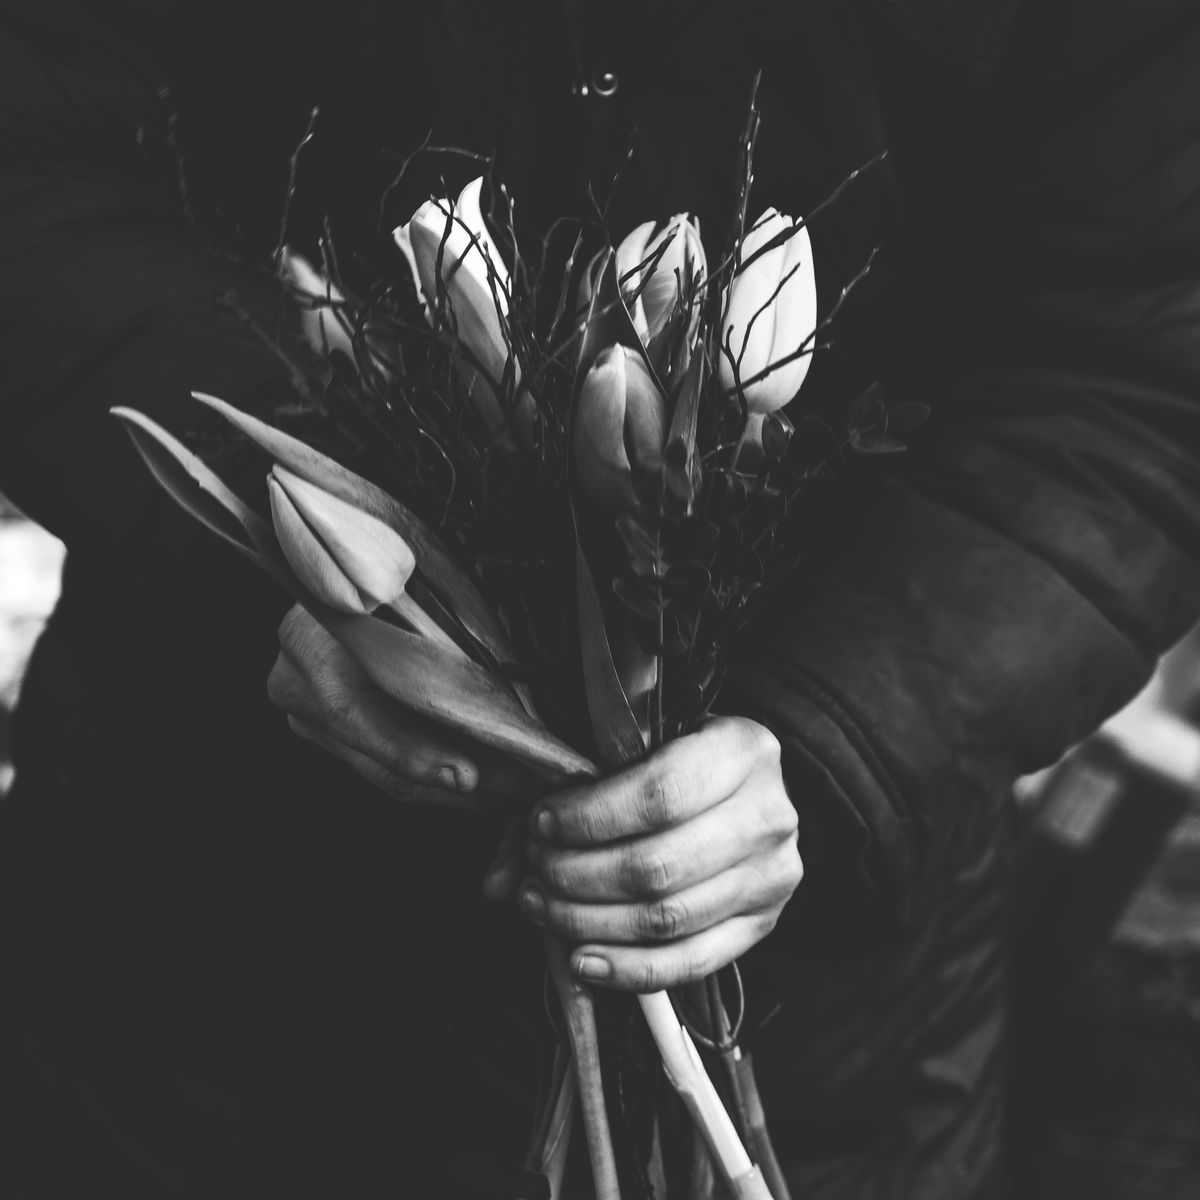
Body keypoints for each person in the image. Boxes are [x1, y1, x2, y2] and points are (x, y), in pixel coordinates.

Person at [1, 1, 1198, 1196]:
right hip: (203, 904)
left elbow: (1146, 358)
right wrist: (282, 538)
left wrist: (844, 744)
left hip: (822, 965)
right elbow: (34, 156)